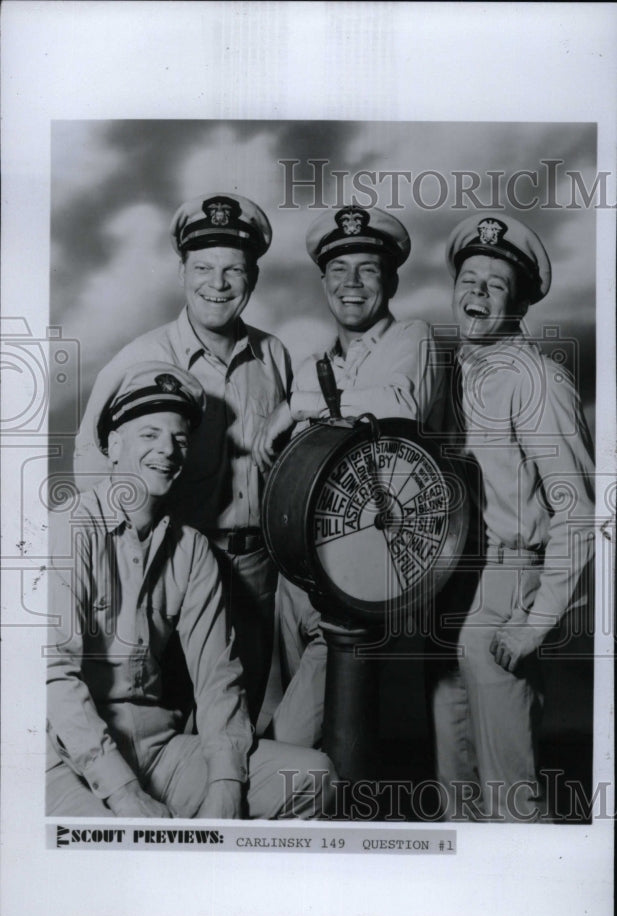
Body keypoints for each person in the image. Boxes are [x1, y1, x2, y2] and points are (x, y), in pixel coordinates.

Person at [46, 363, 335, 819]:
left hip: (160, 749)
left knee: (311, 777)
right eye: (149, 435)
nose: (167, 450)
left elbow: (219, 679)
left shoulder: (192, 549)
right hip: (69, 758)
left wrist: (224, 785)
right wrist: (123, 793)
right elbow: (53, 679)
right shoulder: (69, 529)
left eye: (180, 440)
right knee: (116, 845)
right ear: (114, 445)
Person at [73, 194, 292, 724]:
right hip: (173, 569)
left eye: (233, 270)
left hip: (258, 569)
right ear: (181, 272)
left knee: (244, 718)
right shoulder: (141, 359)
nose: (217, 284)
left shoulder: (274, 356)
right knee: (168, 717)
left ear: (253, 278)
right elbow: (91, 463)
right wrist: (132, 561)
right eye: (203, 268)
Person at [252, 205, 445, 747]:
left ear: (391, 278)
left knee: (304, 734)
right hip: (301, 564)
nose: (351, 283)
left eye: (367, 269)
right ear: (323, 281)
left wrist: (295, 408)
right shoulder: (319, 363)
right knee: (280, 709)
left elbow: (396, 405)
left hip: (367, 565)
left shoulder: (412, 337)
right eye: (339, 270)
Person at [429, 213, 595, 822]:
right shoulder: (449, 375)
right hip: (449, 589)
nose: (475, 294)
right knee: (456, 798)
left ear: (520, 300)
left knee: (509, 799)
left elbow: (579, 510)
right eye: (467, 280)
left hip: (507, 589)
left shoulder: (537, 379)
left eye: (494, 286)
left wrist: (537, 622)